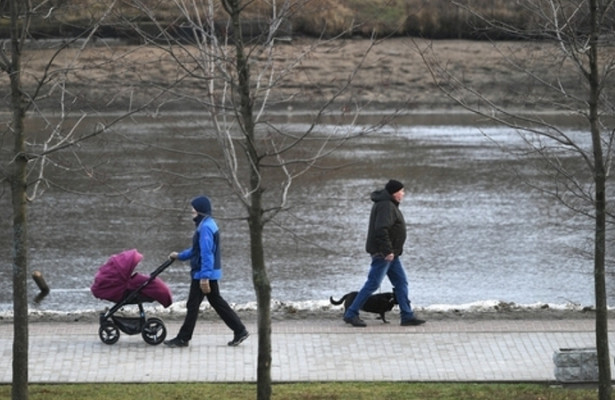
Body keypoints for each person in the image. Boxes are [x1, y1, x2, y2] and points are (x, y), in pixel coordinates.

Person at [164, 195, 249, 347]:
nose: (192, 213)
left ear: (200, 211)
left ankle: (183, 338)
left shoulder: (204, 228)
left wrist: (204, 278)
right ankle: (240, 330)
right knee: (216, 301)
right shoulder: (208, 224)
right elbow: (198, 250)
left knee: (192, 305)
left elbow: (206, 254)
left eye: (193, 210)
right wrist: (180, 256)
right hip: (209, 272)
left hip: (202, 273)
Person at [343, 179, 426, 327]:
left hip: (392, 254)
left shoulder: (388, 204)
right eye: (401, 191)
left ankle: (407, 315)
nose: (403, 193)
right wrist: (387, 250)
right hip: (384, 254)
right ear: (394, 193)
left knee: (401, 282)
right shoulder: (386, 206)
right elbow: (381, 229)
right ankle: (351, 313)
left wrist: (392, 251)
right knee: (373, 283)